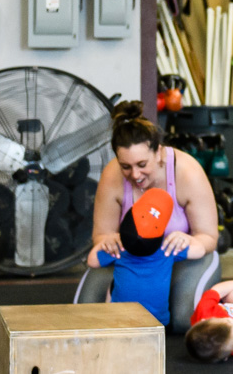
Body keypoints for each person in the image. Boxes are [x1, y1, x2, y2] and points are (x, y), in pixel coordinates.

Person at [74, 100, 220, 333]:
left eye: (142, 164)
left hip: (180, 257)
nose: (135, 174)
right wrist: (108, 241)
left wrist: (191, 240)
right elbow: (101, 235)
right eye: (126, 166)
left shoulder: (187, 172)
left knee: (184, 321)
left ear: (159, 152)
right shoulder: (112, 175)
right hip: (131, 259)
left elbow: (209, 237)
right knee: (86, 315)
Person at [87, 187, 207, 325]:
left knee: (113, 284)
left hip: (118, 321)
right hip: (158, 323)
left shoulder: (119, 247)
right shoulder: (166, 248)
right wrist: (185, 237)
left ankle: (110, 312)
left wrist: (106, 241)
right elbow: (200, 250)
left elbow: (92, 260)